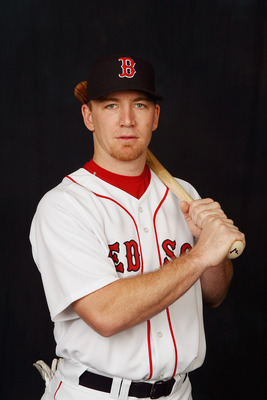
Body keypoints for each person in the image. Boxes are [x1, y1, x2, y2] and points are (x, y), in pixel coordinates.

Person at [30, 55, 245, 400]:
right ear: (89, 116)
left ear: (155, 117)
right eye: (111, 105)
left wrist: (213, 248)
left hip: (179, 392)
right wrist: (200, 255)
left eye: (140, 105)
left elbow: (214, 294)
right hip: (94, 393)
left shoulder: (185, 195)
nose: (127, 120)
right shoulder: (64, 206)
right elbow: (107, 314)